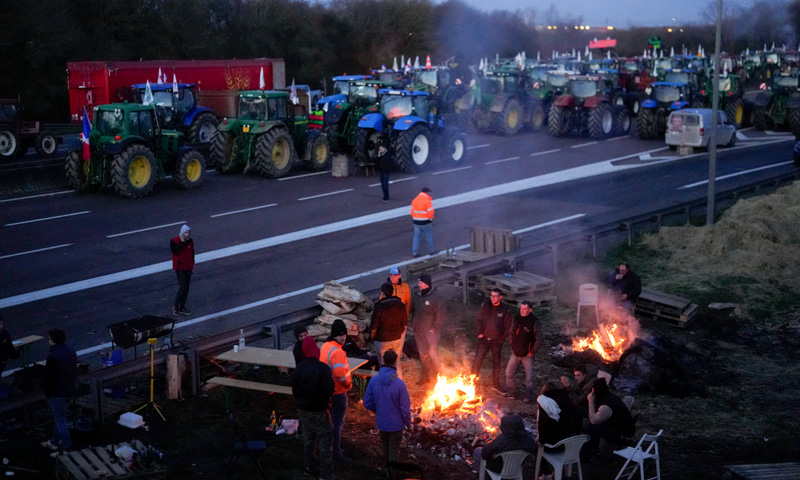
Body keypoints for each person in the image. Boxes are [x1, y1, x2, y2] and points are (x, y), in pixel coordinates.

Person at [291, 336, 339, 480]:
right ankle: (325, 474)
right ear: (315, 351)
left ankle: (309, 468)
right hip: (319, 410)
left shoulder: (298, 368)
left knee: (308, 440)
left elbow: (295, 389)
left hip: (304, 410)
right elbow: (330, 389)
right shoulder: (323, 368)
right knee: (325, 441)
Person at [362, 350, 411, 466]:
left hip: (382, 423)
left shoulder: (374, 380)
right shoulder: (399, 384)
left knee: (385, 448)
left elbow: (367, 403)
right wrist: (408, 423)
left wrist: (378, 410)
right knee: (393, 451)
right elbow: (405, 409)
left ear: (383, 360)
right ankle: (391, 473)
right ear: (395, 363)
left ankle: (385, 469)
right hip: (396, 425)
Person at [319, 320, 353, 464]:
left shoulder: (326, 346)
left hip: (326, 391)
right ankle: (336, 453)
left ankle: (329, 449)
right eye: (339, 335)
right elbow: (340, 373)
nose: (343, 337)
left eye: (344, 334)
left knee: (328, 422)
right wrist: (348, 383)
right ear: (334, 335)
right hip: (338, 392)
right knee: (337, 424)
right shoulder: (338, 352)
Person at [41, 328, 77, 456]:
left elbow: (49, 378)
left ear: (53, 340)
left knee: (61, 420)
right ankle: (54, 441)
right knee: (60, 417)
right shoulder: (71, 350)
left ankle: (66, 448)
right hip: (69, 389)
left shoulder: (53, 356)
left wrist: (47, 393)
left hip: (57, 393)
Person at [536, 381, 581, 479]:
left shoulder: (545, 402)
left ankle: (546, 474)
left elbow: (543, 424)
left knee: (536, 447)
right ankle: (558, 471)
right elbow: (578, 417)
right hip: (570, 445)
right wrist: (576, 435)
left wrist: (541, 441)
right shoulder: (567, 399)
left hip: (555, 446)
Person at [472, 288, 512, 396]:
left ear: (500, 297)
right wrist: (480, 333)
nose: (493, 298)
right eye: (491, 296)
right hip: (483, 340)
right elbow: (478, 320)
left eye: (495, 296)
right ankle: (472, 383)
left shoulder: (505, 309)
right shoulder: (485, 306)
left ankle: (496, 385)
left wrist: (501, 339)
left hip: (496, 342)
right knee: (477, 361)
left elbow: (508, 327)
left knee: (496, 363)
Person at [504, 300, 542, 403]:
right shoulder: (517, 318)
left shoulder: (534, 322)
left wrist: (533, 351)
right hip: (515, 352)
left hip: (527, 354)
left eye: (525, 309)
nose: (522, 311)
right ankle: (511, 392)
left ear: (530, 310)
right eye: (521, 308)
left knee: (529, 377)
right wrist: (512, 344)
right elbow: (511, 332)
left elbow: (539, 338)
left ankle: (530, 396)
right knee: (509, 372)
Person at [410, 274, 445, 385]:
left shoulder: (435, 298)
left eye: (420, 283)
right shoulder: (416, 297)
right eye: (419, 282)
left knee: (433, 355)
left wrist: (434, 328)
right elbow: (412, 310)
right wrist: (412, 323)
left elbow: (441, 315)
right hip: (419, 331)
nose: (418, 285)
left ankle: (440, 377)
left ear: (426, 284)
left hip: (431, 333)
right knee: (423, 355)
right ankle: (425, 377)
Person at [586, 378, 635, 454]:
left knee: (591, 426)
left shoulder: (605, 406)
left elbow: (594, 420)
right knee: (593, 424)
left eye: (593, 390)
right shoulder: (610, 396)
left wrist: (591, 402)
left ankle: (592, 452)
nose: (592, 392)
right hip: (623, 428)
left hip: (622, 435)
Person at [370, 283, 408, 379]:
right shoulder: (401, 305)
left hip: (382, 340)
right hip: (396, 338)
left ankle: (386, 385)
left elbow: (373, 327)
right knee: (397, 363)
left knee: (383, 365)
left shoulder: (379, 307)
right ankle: (399, 385)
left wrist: (373, 338)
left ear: (382, 293)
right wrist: (399, 333)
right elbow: (404, 324)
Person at [381, 267, 412, 357]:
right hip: (390, 321)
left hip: (401, 319)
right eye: (391, 276)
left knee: (401, 339)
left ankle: (399, 354)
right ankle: (390, 356)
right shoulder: (386, 287)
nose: (392, 278)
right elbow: (381, 303)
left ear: (399, 276)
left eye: (394, 276)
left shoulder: (405, 286)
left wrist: (406, 318)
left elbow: (408, 302)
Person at [170, 224, 195, 316]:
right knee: (183, 288)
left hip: (188, 267)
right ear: (182, 233)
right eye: (185, 232)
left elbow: (192, 253)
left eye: (188, 232)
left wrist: (192, 265)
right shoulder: (174, 241)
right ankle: (176, 306)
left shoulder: (190, 241)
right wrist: (181, 242)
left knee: (186, 288)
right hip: (180, 267)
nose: (187, 234)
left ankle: (182, 307)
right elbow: (175, 252)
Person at [410, 187, 435, 258]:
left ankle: (415, 253)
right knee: (428, 236)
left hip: (416, 222)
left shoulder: (414, 200)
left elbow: (412, 212)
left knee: (416, 237)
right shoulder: (427, 201)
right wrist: (430, 219)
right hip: (425, 222)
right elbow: (430, 213)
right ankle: (431, 251)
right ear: (427, 193)